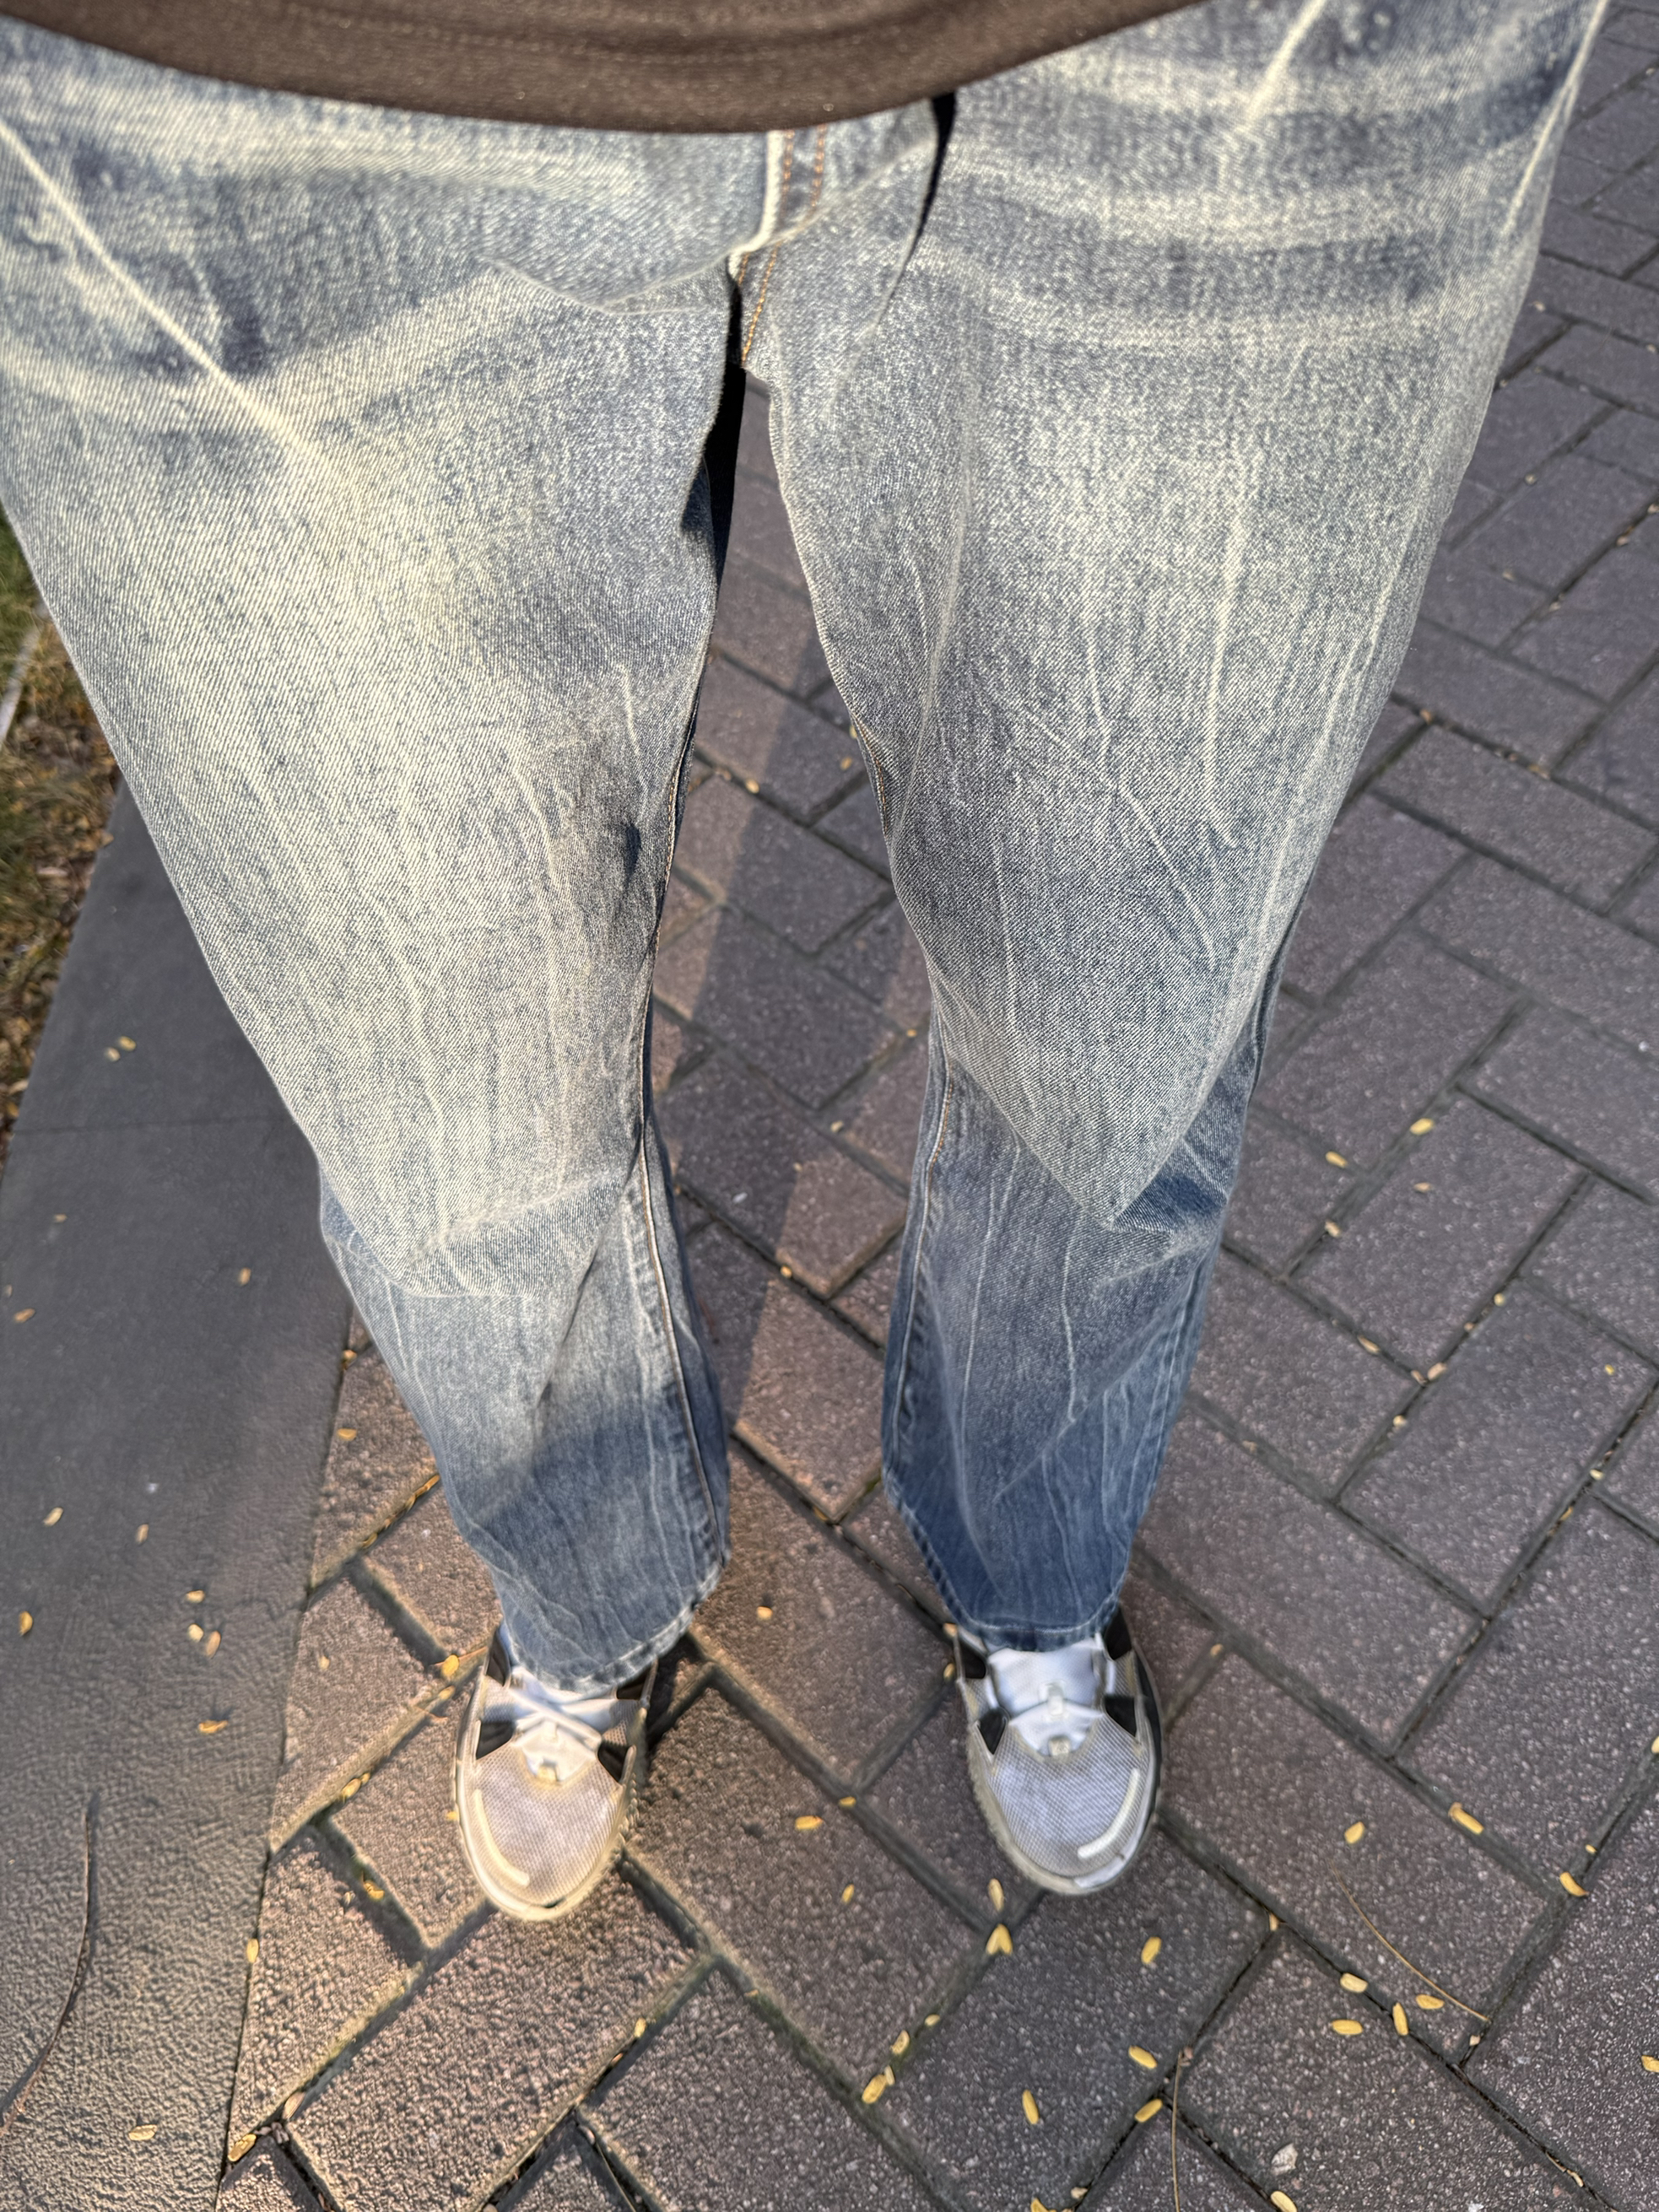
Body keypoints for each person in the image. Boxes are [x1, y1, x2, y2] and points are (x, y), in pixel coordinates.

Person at [0, 0, 1600, 1919]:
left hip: (1220, 49)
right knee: (446, 1108)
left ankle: (1031, 1565)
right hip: (246, 67)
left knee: (1115, 1038)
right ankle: (588, 1585)